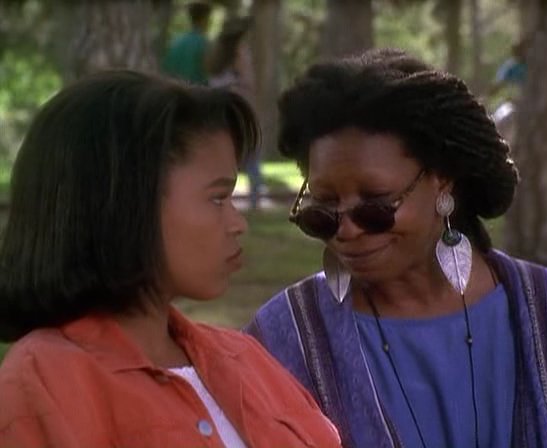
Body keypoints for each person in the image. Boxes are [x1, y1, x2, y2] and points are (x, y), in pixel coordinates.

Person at [245, 48, 547, 448]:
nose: (346, 230)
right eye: (324, 207)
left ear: (442, 181)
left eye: (375, 203)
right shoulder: (283, 339)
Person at [0, 70, 341, 448]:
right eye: (218, 198)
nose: (238, 224)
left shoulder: (245, 357)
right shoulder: (42, 386)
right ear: (125, 204)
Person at [208, 16, 264, 209]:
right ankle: (255, 199)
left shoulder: (215, 56)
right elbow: (249, 82)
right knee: (252, 154)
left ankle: (217, 198)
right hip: (239, 109)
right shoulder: (240, 53)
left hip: (220, 112)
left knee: (223, 155)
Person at [163, 1, 212, 85]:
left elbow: (167, 70)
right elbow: (209, 71)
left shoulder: (176, 41)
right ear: (205, 19)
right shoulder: (205, 43)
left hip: (174, 88)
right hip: (197, 90)